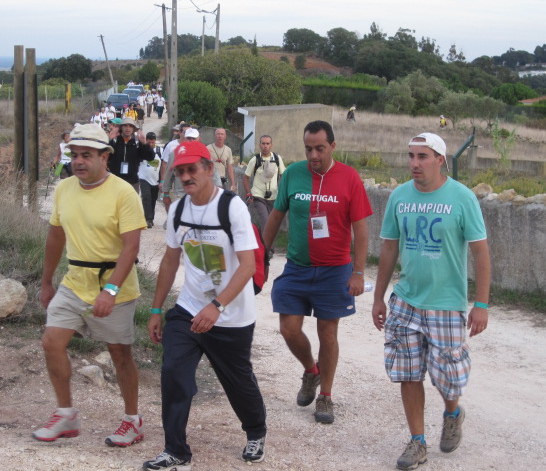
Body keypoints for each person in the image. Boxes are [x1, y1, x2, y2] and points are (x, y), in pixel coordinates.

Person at [144, 141, 267, 470]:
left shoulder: (232, 207)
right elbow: (170, 260)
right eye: (180, 171)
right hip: (189, 308)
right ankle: (175, 450)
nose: (185, 176)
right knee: (174, 372)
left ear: (209, 169)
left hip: (232, 314)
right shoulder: (179, 210)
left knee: (237, 381)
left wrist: (216, 306)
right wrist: (157, 309)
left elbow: (247, 267)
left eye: (191, 169)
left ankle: (255, 431)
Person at [371, 132, 491, 470]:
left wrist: (480, 304)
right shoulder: (399, 197)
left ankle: (452, 412)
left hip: (447, 303)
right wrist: (379, 298)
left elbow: (481, 253)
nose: (414, 164)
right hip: (406, 301)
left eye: (422, 156)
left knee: (447, 377)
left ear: (440, 159)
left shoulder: (462, 198)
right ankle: (417, 441)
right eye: (410, 156)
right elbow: (389, 247)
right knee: (409, 373)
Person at [34, 123, 146, 447]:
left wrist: (110, 291)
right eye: (74, 155)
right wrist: (46, 282)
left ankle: (132, 420)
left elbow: (131, 247)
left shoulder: (123, 193)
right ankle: (66, 414)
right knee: (51, 342)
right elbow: (56, 235)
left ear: (104, 156)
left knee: (119, 353)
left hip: (115, 284)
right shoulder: (64, 189)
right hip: (74, 281)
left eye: (86, 155)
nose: (78, 161)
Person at [262, 120, 372, 424]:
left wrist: (358, 272)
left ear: (332, 146)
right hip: (297, 267)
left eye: (319, 148)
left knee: (328, 332)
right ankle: (311, 370)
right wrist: (262, 254)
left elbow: (362, 230)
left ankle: (325, 396)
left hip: (335, 271)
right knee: (289, 328)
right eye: (308, 148)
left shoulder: (349, 178)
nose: (313, 155)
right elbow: (275, 217)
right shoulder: (294, 174)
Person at [243, 135, 286, 232]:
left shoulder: (277, 158)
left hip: (273, 197)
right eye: (263, 143)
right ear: (259, 145)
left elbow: (283, 176)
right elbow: (245, 177)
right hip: (258, 196)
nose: (265, 146)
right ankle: (266, 247)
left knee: (272, 223)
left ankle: (269, 245)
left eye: (267, 143)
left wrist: (283, 192)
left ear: (271, 145)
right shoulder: (255, 160)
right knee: (266, 221)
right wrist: (249, 194)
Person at [108, 117, 155, 193]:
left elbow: (150, 157)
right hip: (115, 181)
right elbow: (105, 157)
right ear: (121, 128)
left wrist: (145, 143)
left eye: (130, 126)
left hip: (132, 182)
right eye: (125, 125)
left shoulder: (137, 143)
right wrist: (109, 141)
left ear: (133, 129)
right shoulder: (114, 142)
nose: (128, 128)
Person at [139, 132, 162, 228]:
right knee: (146, 197)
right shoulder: (142, 149)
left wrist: (162, 180)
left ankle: (151, 218)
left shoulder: (160, 150)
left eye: (153, 142)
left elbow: (163, 165)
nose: (151, 144)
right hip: (143, 178)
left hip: (155, 179)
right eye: (149, 142)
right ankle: (147, 219)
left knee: (153, 199)